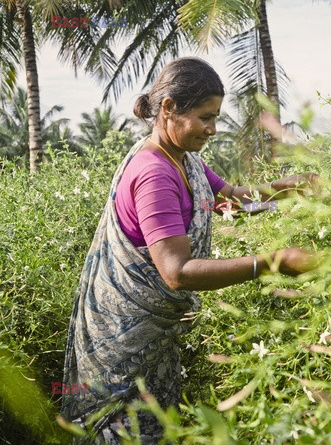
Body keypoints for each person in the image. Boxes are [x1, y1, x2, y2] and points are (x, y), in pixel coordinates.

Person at [61, 57, 317, 444]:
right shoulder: (154, 174)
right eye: (205, 118)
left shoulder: (184, 160)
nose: (213, 129)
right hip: (125, 343)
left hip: (156, 335)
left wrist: (291, 186)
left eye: (215, 117)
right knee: (126, 431)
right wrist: (273, 263)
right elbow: (176, 272)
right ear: (168, 110)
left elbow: (233, 201)